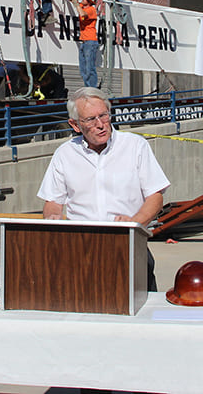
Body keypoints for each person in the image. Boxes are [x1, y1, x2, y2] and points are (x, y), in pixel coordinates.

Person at [37, 87, 170, 291]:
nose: (100, 125)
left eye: (103, 116)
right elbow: (53, 202)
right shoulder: (64, 154)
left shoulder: (136, 146)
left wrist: (135, 222)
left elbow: (155, 196)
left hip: (129, 249)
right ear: (75, 125)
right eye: (91, 119)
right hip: (79, 252)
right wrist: (53, 217)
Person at [76, 0, 100, 88]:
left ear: (89, 1)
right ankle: (88, 87)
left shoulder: (91, 10)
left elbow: (82, 14)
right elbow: (78, 4)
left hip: (90, 42)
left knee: (89, 68)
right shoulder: (84, 6)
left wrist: (75, 3)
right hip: (84, 42)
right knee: (83, 69)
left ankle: (92, 88)